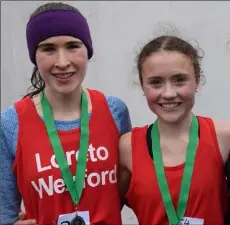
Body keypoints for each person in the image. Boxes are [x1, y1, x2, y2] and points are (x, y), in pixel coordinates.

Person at [0, 2, 132, 225]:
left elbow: (129, 191)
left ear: (87, 50)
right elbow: (4, 212)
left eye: (73, 46)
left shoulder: (115, 111)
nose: (62, 62)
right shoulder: (11, 122)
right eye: (48, 49)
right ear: (35, 55)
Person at [119, 35, 230, 225]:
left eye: (180, 80)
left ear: (196, 81)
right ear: (142, 86)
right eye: (156, 82)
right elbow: (107, 209)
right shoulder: (127, 148)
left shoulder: (225, 138)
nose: (169, 93)